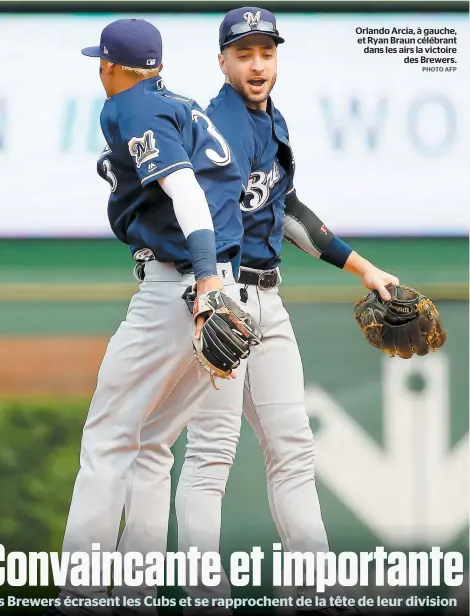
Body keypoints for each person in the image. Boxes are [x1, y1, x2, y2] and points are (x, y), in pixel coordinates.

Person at [121, 7, 400, 614]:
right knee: (211, 455)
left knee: (293, 446)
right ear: (221, 61)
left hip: (268, 301)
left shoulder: (269, 121)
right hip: (224, 299)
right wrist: (208, 299)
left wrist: (364, 268)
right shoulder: (215, 123)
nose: (256, 64)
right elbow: (203, 222)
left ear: (276, 59)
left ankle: (315, 590)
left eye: (265, 53)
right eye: (243, 53)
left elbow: (289, 209)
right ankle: (205, 597)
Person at [53, 17, 255, 615]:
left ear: (112, 66)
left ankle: (81, 595)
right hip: (222, 288)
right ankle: (135, 593)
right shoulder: (184, 106)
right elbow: (223, 187)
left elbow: (190, 194)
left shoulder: (129, 108)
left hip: (184, 291)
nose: (100, 70)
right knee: (150, 444)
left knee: (107, 441)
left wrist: (207, 284)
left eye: (102, 61)